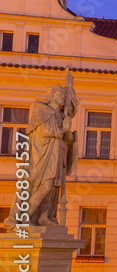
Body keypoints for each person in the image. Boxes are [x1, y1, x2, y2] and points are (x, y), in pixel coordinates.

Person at [4, 69, 78, 229]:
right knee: (43, 185)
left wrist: (68, 133)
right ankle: (25, 216)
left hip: (57, 154)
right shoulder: (41, 111)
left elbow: (68, 139)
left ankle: (45, 217)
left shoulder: (60, 116)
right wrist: (63, 130)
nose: (63, 98)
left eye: (64, 96)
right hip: (42, 155)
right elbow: (47, 132)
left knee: (53, 188)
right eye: (60, 95)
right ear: (52, 96)